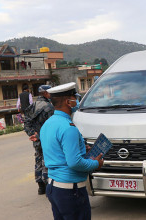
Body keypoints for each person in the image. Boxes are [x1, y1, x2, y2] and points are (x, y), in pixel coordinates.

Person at [40, 82, 104, 220]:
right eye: (74, 97)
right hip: (70, 190)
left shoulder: (48, 123)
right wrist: (95, 164)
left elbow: (57, 149)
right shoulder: (68, 127)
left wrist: (81, 149)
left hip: (54, 187)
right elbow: (74, 163)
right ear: (68, 101)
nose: (77, 100)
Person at [24, 85, 54, 195]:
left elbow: (26, 124)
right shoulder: (49, 107)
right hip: (46, 139)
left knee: (38, 160)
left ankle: (40, 187)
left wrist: (33, 134)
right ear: (46, 93)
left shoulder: (32, 106)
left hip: (36, 140)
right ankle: (47, 186)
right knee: (47, 161)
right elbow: (52, 126)